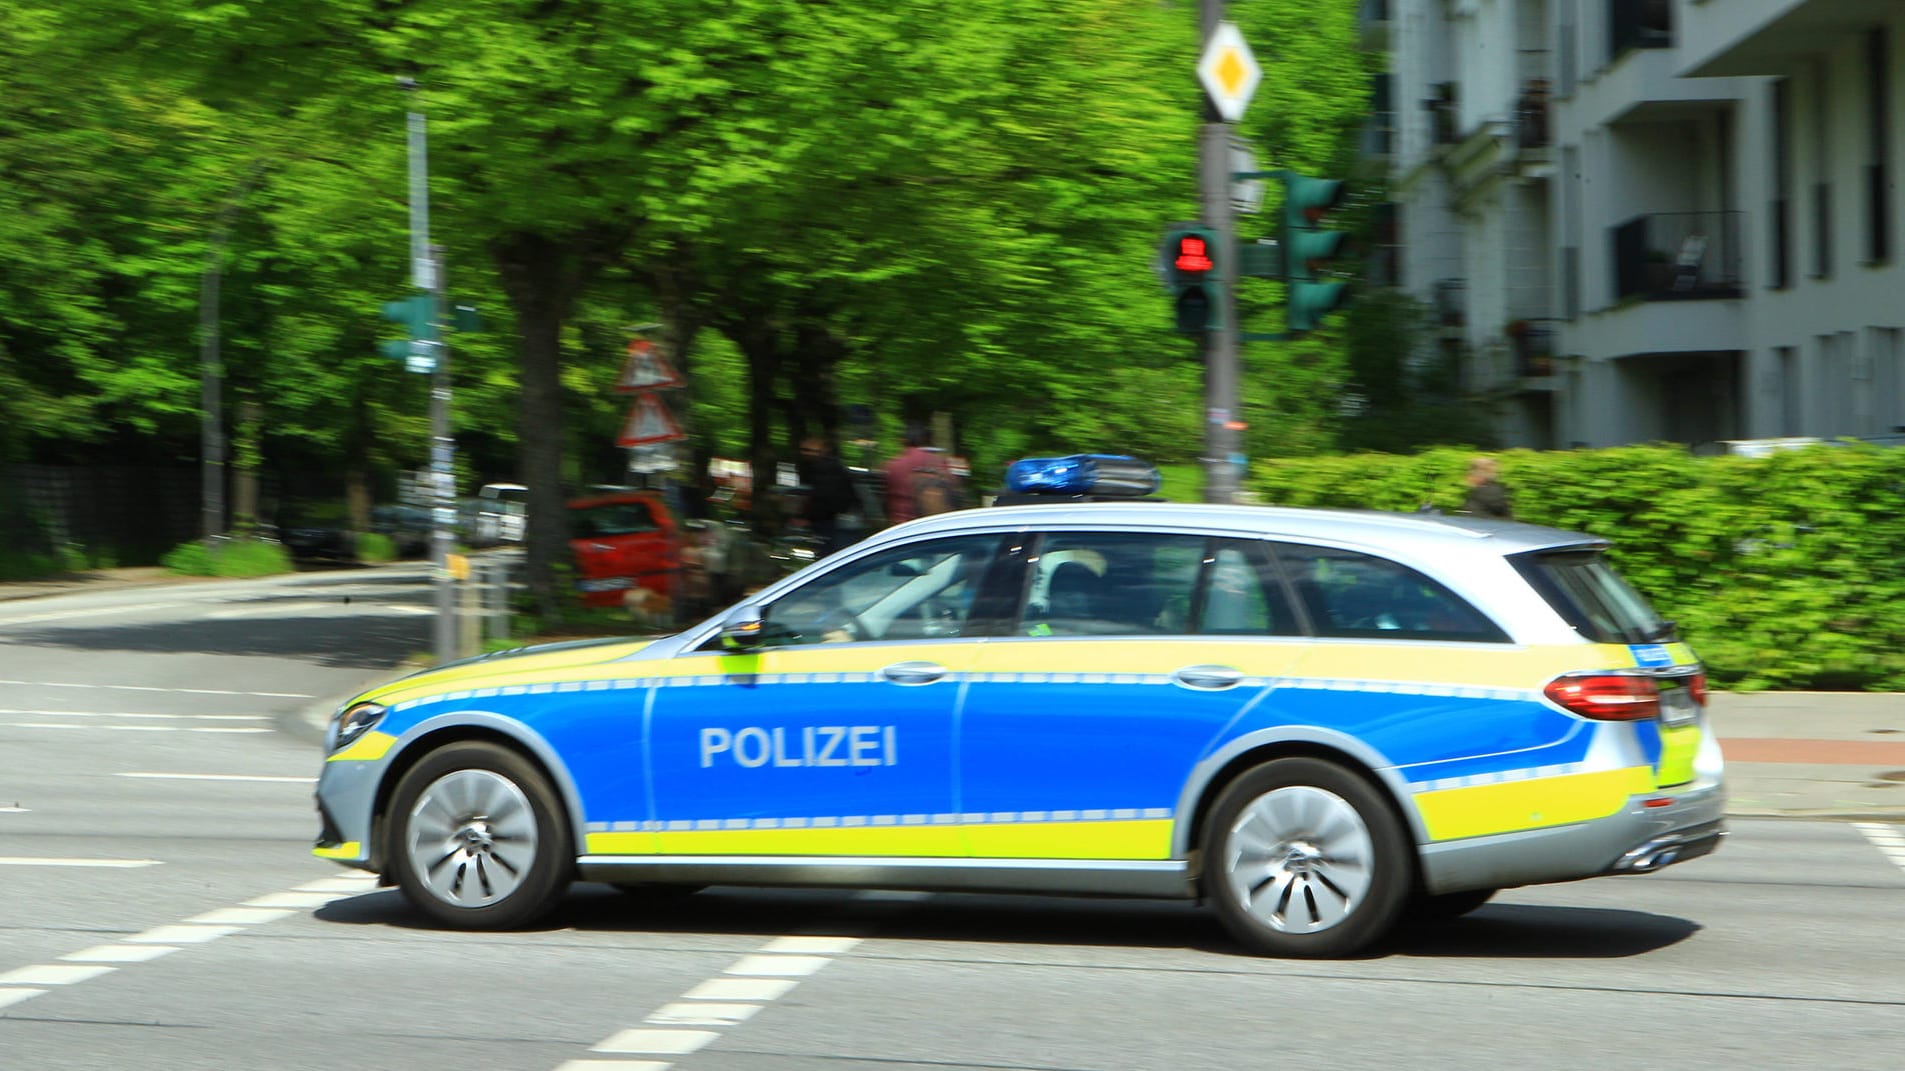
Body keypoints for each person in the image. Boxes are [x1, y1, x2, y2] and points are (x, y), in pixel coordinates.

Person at [881, 424, 957, 525]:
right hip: (931, 526)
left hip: (899, 529)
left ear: (903, 441)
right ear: (926, 440)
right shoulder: (939, 463)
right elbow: (953, 492)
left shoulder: (892, 466)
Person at [796, 435, 857, 557]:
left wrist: (807, 517)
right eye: (803, 450)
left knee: (829, 553)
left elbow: (822, 497)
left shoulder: (822, 468)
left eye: (809, 450)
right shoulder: (833, 465)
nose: (805, 453)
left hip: (830, 521)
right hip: (837, 519)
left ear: (821, 450)